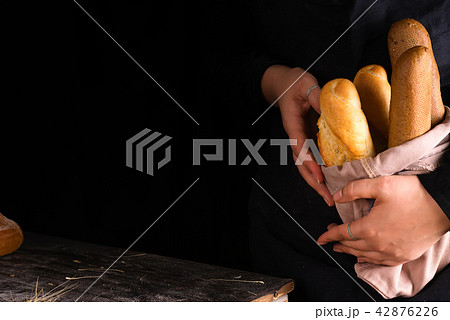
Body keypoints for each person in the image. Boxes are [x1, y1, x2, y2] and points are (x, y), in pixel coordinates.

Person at [246, 0, 450, 301]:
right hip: (289, 239)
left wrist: (440, 203)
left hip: (438, 256)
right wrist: (276, 81)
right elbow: (213, 44)